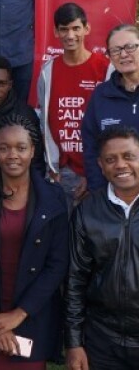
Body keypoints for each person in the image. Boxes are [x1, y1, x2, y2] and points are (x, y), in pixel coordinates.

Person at [0, 115, 68, 369]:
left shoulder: (53, 198)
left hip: (32, 316)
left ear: (33, 151)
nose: (12, 154)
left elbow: (57, 265)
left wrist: (18, 314)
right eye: (4, 148)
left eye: (21, 147)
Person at [66, 125, 139, 370]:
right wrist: (74, 343)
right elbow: (75, 280)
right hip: (102, 339)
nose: (120, 165)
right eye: (111, 159)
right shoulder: (86, 212)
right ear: (100, 165)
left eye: (129, 156)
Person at [37, 3, 110, 209]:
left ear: (86, 29)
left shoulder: (105, 69)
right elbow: (45, 122)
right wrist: (52, 167)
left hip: (97, 170)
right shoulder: (48, 71)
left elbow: (110, 126)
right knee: (61, 237)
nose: (70, 35)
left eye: (76, 28)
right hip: (61, 172)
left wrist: (94, 173)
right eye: (64, 29)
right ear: (56, 32)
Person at [81, 24, 139, 194]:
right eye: (115, 50)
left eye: (130, 47)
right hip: (114, 196)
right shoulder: (101, 96)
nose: (123, 54)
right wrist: (99, 193)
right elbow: (91, 148)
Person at [0, 56, 44, 183]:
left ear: (10, 85)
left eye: (1, 84)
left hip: (17, 185)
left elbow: (36, 163)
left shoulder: (25, 114)